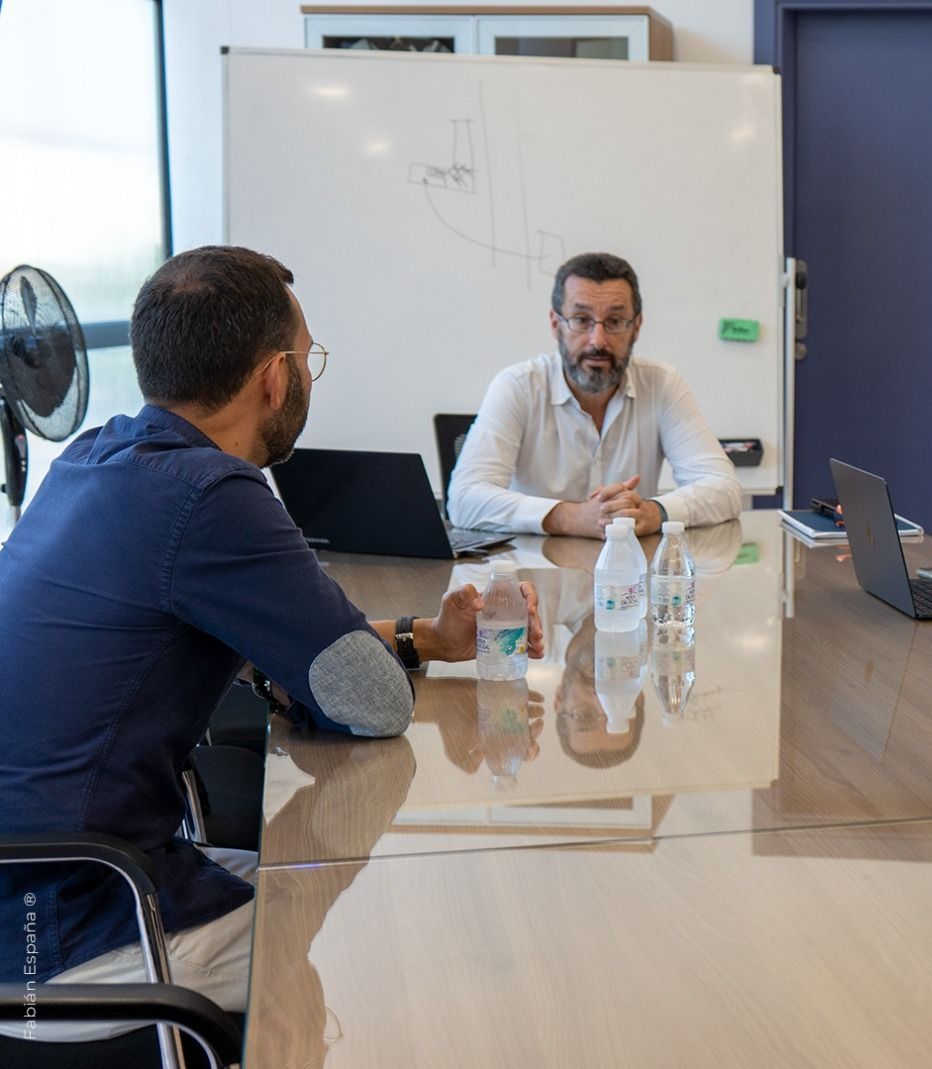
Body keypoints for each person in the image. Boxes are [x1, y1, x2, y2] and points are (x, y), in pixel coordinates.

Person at [0, 245, 544, 1021]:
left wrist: (427, 636)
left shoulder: (96, 457)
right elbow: (374, 700)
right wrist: (370, 663)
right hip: (64, 941)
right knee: (384, 948)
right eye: (309, 356)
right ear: (275, 376)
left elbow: (286, 649)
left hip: (39, 888)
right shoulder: (213, 495)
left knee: (296, 871)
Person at [447, 251, 742, 539]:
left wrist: (653, 512)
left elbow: (724, 488)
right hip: (532, 581)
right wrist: (573, 517)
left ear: (636, 327)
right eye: (581, 319)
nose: (598, 341)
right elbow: (464, 499)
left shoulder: (662, 384)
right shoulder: (518, 386)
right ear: (555, 324)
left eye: (614, 322)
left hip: (631, 580)